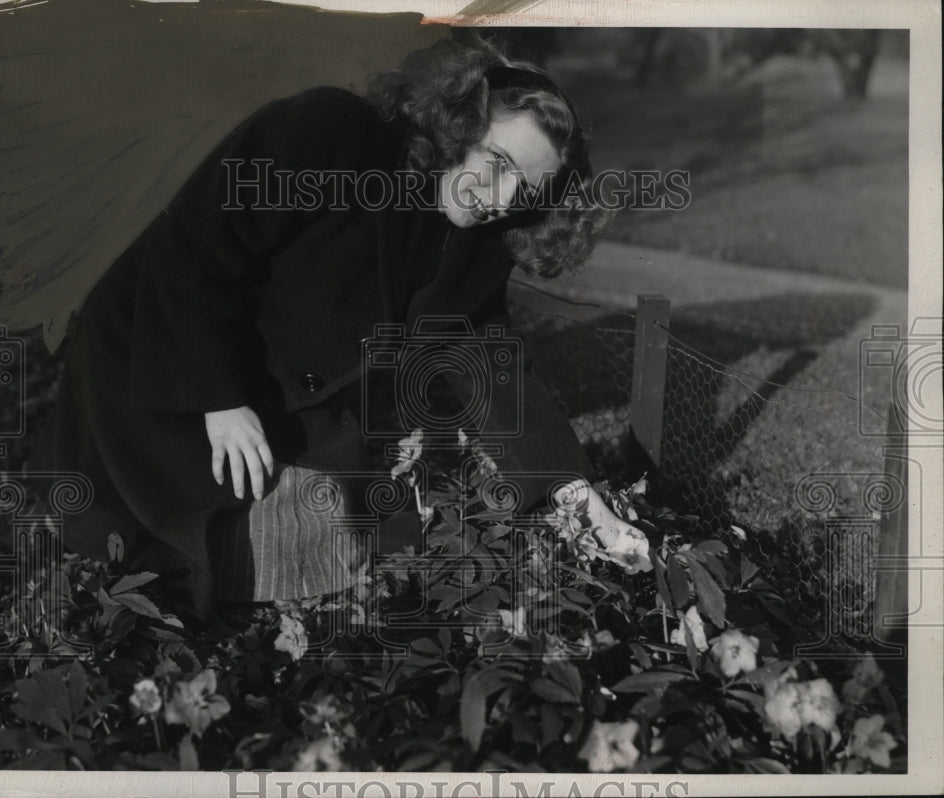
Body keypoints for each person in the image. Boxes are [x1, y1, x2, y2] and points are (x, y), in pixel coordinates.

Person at [46, 36, 641, 616]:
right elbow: (194, 249)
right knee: (173, 558)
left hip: (277, 390)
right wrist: (218, 399)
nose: (502, 198)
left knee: (352, 546)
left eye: (527, 190)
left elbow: (482, 354)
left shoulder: (479, 242)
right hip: (162, 350)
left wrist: (574, 493)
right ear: (458, 120)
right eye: (499, 162)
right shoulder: (330, 131)